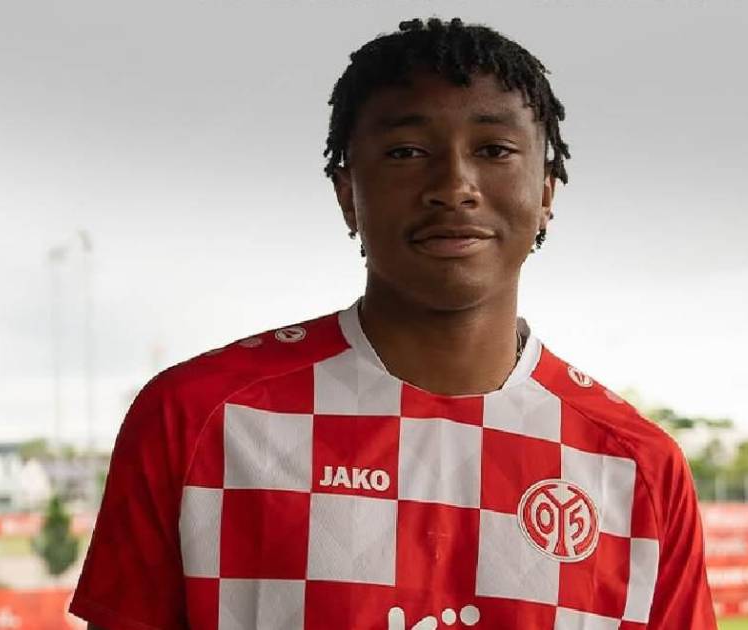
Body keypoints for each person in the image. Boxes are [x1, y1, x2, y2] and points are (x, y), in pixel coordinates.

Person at [71, 17, 715, 630]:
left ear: (546, 191)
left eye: (494, 150)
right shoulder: (198, 417)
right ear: (347, 192)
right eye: (406, 152)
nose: (455, 185)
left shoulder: (638, 466)